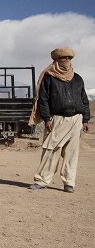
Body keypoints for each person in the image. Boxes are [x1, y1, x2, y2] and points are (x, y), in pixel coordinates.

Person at [28, 47, 90, 193]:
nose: (66, 62)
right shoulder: (49, 77)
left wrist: (85, 119)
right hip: (56, 120)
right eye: (63, 59)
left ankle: (69, 183)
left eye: (69, 59)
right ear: (56, 61)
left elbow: (84, 100)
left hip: (76, 120)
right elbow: (43, 100)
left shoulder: (77, 78)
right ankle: (42, 181)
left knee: (71, 153)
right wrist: (47, 118)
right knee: (50, 151)